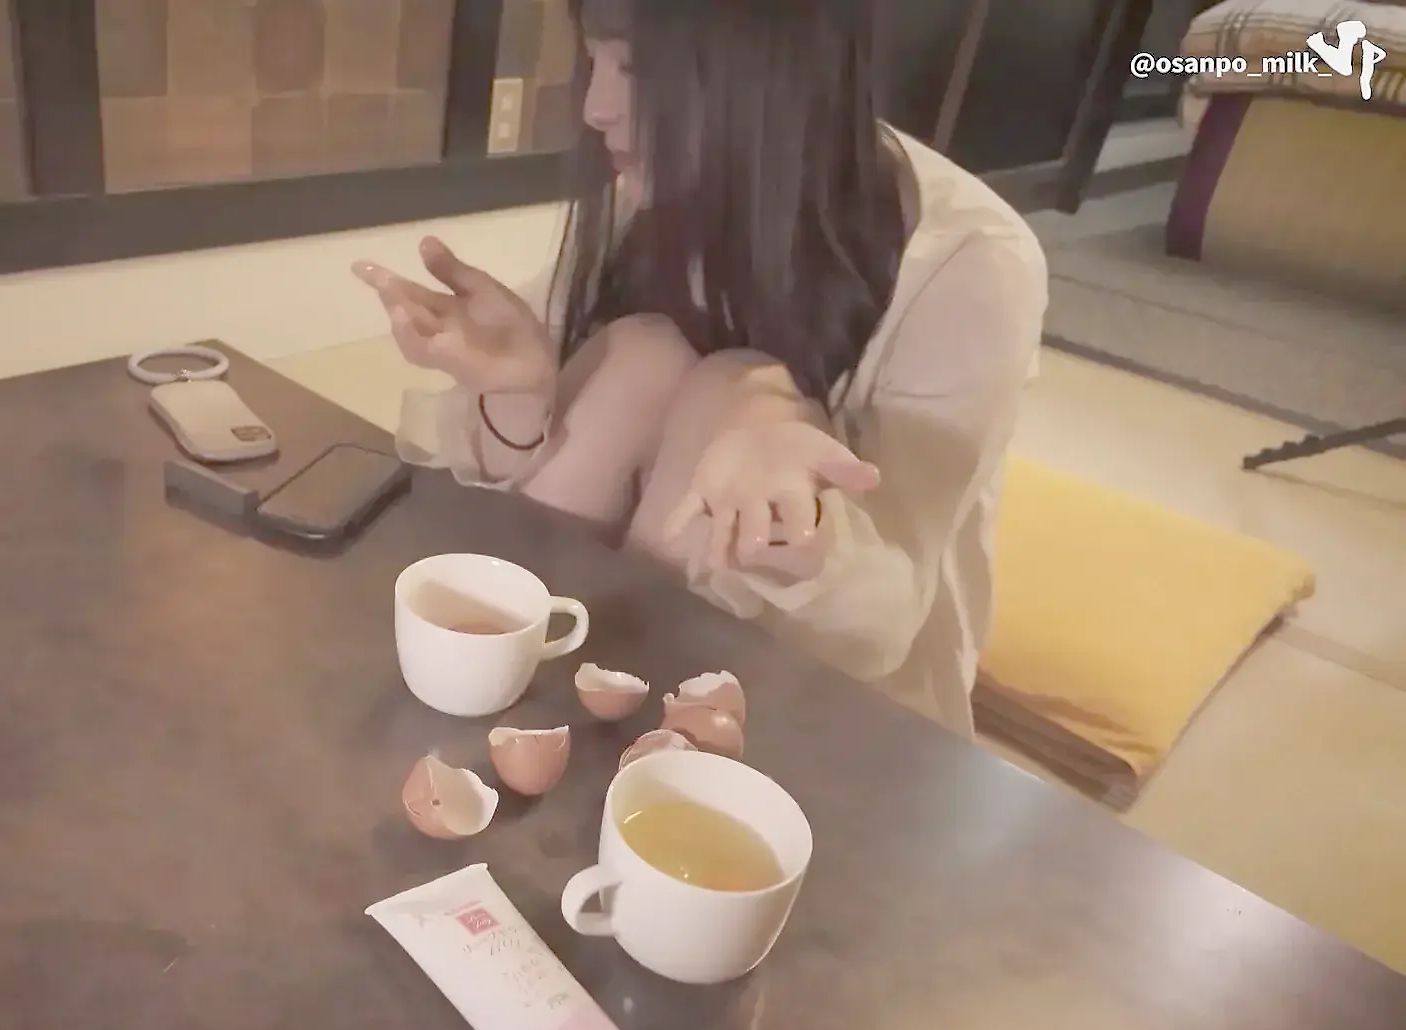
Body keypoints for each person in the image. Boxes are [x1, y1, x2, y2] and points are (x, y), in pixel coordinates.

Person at [351, 0, 1048, 738]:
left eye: (638, 68)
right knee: (641, 356)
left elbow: (885, 624)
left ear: (770, 66)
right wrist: (517, 397)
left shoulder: (967, 262)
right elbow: (514, 476)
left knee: (723, 388)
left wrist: (792, 510)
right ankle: (528, 715)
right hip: (615, 631)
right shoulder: (653, 184)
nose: (595, 108)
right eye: (594, 57)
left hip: (834, 713)